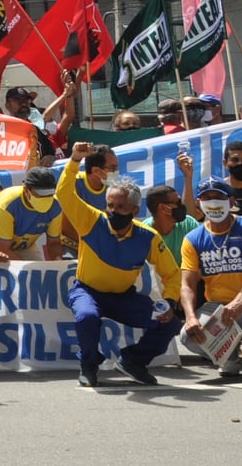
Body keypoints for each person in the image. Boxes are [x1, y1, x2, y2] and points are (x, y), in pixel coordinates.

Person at [56, 146, 182, 386]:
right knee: (86, 316)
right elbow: (63, 194)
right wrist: (74, 160)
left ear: (135, 210)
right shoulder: (91, 219)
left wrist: (170, 302)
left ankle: (133, 361)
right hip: (87, 291)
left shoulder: (148, 236)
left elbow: (172, 274)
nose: (113, 212)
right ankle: (89, 365)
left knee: (171, 323)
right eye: (110, 206)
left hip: (123, 298)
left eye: (120, 208)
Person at [178, 178, 242, 385]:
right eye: (207, 198)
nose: (213, 203)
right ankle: (229, 358)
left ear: (232, 200)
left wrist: (239, 301)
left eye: (219, 197)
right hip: (218, 310)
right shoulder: (193, 238)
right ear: (198, 203)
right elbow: (187, 285)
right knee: (187, 336)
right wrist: (190, 317)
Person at [0, 167, 64, 261]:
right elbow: (4, 250)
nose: (45, 198)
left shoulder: (56, 206)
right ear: (26, 190)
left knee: (38, 272)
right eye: (40, 194)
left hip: (23, 244)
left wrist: (58, 261)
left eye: (49, 194)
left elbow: (54, 243)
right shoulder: (8, 204)